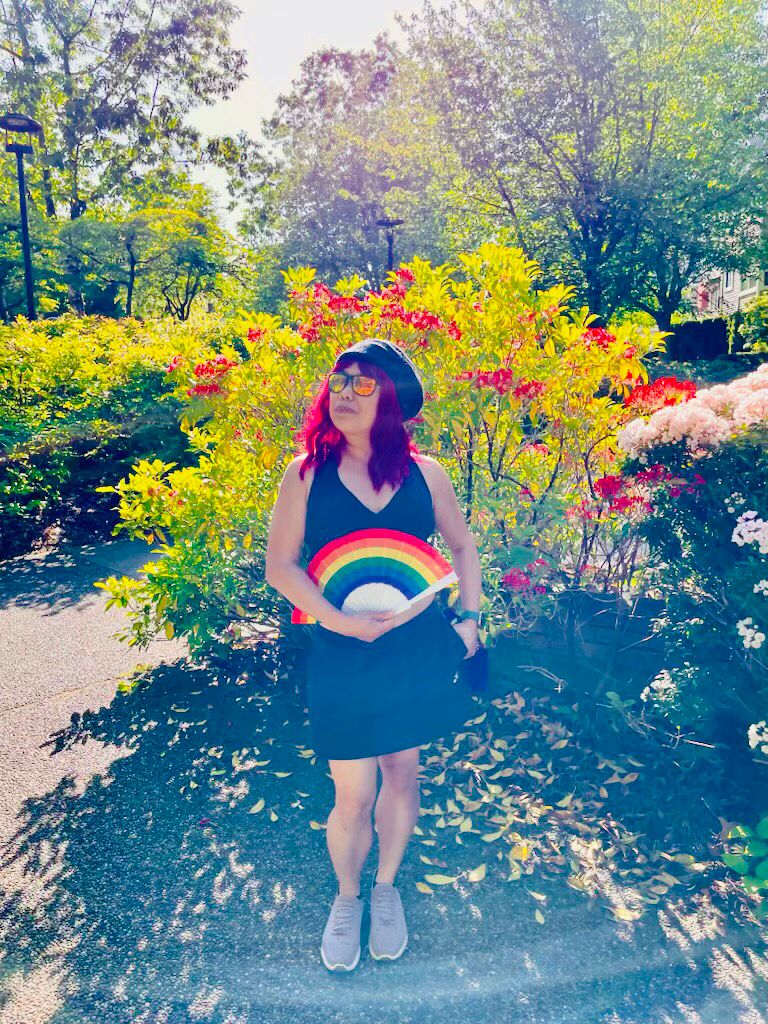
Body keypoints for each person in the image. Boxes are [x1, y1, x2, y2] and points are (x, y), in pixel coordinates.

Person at [265, 337, 483, 972]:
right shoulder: (305, 473)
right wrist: (338, 621)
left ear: (390, 399)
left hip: (417, 653)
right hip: (342, 654)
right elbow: (281, 566)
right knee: (352, 794)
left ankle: (386, 888)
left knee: (402, 774)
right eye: (338, 381)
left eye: (362, 384)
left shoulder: (428, 474)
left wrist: (468, 620)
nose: (343, 393)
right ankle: (348, 896)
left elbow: (463, 550)